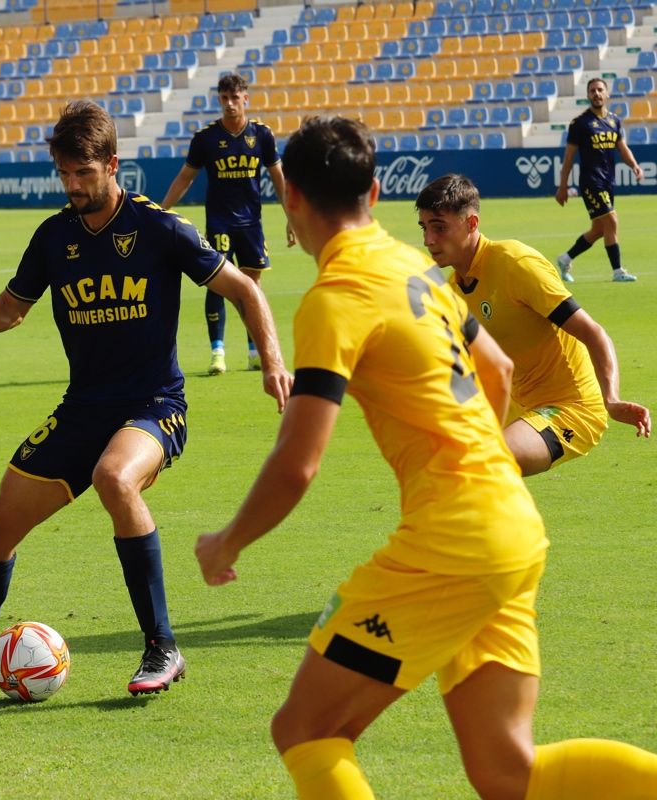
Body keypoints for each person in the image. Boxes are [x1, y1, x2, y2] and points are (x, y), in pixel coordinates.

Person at [195, 116, 657, 799]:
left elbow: (299, 463)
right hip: (512, 530)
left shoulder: (335, 298)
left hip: (456, 538)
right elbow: (495, 368)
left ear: (287, 195)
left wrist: (227, 541)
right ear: (376, 192)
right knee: (507, 773)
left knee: (306, 730)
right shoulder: (412, 263)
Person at [0, 101, 293, 695]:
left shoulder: (159, 228)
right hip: (82, 408)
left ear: (113, 164)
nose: (73, 187)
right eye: (64, 175)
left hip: (155, 406)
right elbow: (10, 310)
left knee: (116, 478)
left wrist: (273, 361)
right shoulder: (55, 236)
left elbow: (243, 288)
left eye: (84, 174)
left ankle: (163, 648)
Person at [417, 173, 650, 476]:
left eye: (439, 227)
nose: (428, 240)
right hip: (517, 406)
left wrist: (612, 399)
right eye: (424, 228)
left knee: (484, 463)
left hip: (570, 407)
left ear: (472, 223)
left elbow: (593, 333)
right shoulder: (452, 290)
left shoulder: (515, 263)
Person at [160, 73, 294, 375]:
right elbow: (185, 177)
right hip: (219, 223)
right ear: (219, 99)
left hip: (251, 225)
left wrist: (290, 216)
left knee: (252, 286)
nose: (230, 104)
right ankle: (217, 352)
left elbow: (278, 178)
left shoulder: (262, 135)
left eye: (235, 97)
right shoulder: (206, 138)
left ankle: (253, 352)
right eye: (225, 98)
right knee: (218, 285)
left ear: (245, 97)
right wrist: (161, 210)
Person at [554, 77, 643, 283]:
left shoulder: (614, 121)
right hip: (591, 182)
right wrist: (563, 186)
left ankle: (565, 258)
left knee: (600, 229)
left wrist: (635, 166)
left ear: (607, 93)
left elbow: (622, 148)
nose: (596, 93)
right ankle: (618, 271)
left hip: (608, 182)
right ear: (588, 95)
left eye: (600, 90)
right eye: (592, 90)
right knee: (612, 220)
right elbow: (568, 158)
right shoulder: (580, 124)